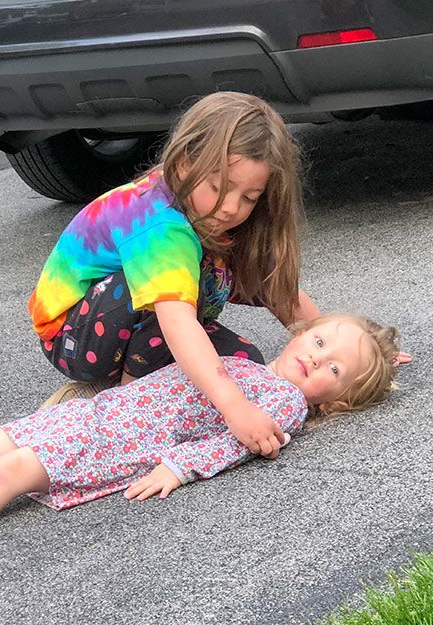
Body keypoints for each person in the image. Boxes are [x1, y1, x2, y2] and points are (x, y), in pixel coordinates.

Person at [0, 313, 400, 560]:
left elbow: (236, 441)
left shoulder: (284, 403)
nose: (315, 362)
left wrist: (180, 467)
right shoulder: (249, 364)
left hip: (118, 444)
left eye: (334, 371)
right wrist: (376, 355)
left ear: (336, 396)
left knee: (6, 473)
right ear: (302, 331)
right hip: (98, 419)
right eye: (320, 343)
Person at [29, 91, 319, 459]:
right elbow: (177, 324)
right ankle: (119, 404)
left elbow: (276, 290)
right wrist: (233, 408)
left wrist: (342, 340)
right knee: (162, 312)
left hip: (148, 323)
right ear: (184, 165)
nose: (231, 207)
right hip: (76, 337)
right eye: (220, 188)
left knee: (246, 366)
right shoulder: (158, 223)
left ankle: (145, 390)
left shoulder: (209, 211)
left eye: (249, 198)